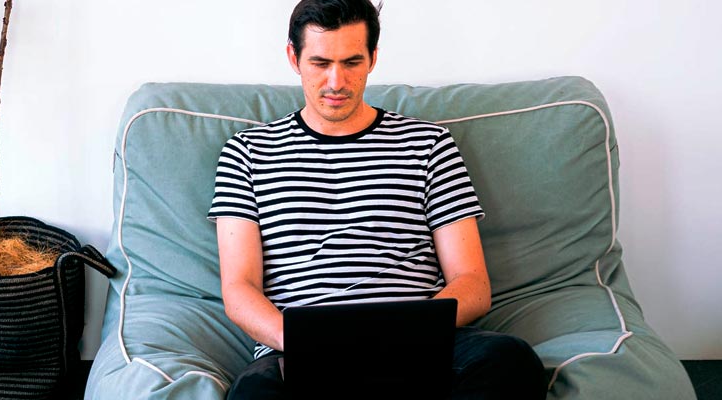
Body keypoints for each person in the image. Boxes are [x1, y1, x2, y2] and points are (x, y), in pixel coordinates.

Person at [208, 0, 547, 398]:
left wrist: (407, 335)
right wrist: (305, 341)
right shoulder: (247, 152)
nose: (336, 82)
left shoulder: (428, 144)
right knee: (253, 393)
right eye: (320, 63)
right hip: (300, 351)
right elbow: (239, 288)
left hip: (420, 347)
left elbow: (472, 283)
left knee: (510, 360)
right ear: (293, 58)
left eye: (352, 62)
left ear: (372, 58)